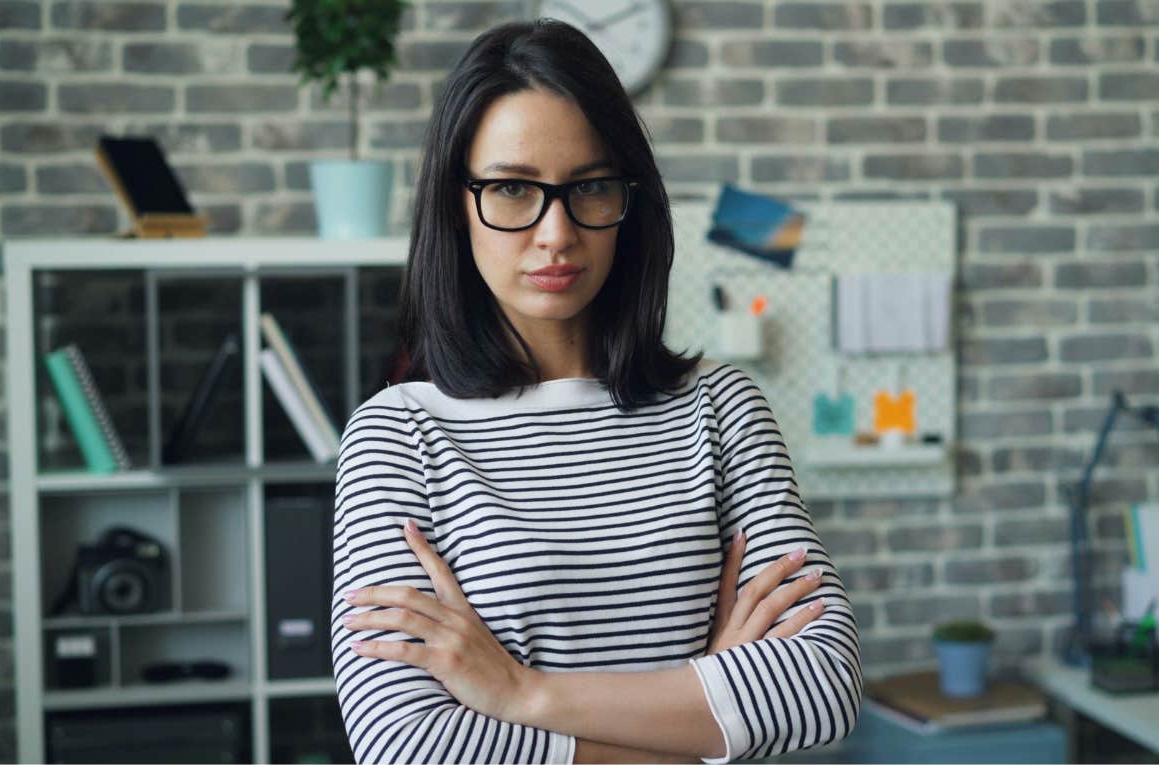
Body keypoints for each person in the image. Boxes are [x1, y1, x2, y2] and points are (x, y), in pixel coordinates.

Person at [331, 18, 861, 765]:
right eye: (513, 189)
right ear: (458, 204)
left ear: (627, 203)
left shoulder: (721, 410)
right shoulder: (399, 436)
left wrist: (522, 693)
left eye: (589, 187)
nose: (556, 233)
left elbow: (822, 685)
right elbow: (409, 744)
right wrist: (702, 720)